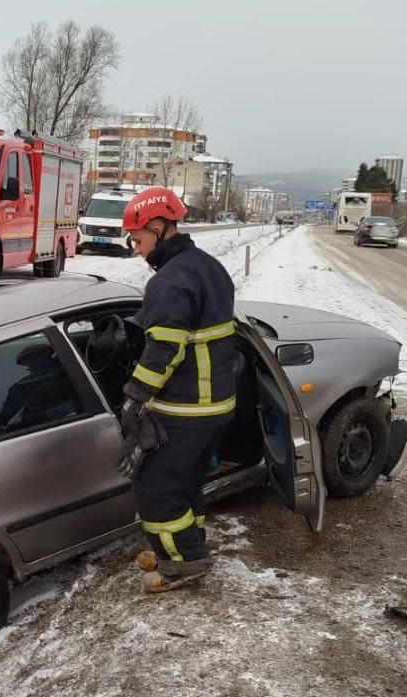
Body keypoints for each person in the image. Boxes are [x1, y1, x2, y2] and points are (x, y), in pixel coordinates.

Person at [117, 186, 242, 593]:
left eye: (137, 239)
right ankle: (183, 548)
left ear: (158, 227)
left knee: (156, 490)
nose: (137, 249)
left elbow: (165, 350)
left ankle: (182, 565)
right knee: (186, 484)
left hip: (188, 408)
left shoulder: (169, 282)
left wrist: (135, 395)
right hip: (217, 405)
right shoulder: (208, 266)